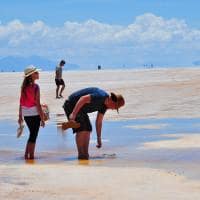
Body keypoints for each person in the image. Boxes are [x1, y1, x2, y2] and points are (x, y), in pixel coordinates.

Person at [63, 87, 125, 160]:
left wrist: (99, 138)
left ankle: (85, 154)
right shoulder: (100, 96)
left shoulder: (104, 106)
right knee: (82, 129)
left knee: (88, 128)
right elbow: (83, 99)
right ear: (113, 101)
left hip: (82, 110)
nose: (113, 109)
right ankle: (81, 154)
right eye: (115, 107)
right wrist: (73, 114)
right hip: (72, 104)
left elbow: (99, 122)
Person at [18, 65, 45, 160]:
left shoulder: (23, 87)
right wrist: (42, 118)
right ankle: (31, 157)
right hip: (34, 114)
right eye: (36, 72)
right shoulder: (36, 87)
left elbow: (21, 103)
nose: (38, 74)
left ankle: (26, 155)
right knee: (33, 135)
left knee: (31, 134)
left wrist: (20, 116)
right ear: (31, 75)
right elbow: (37, 104)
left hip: (26, 114)